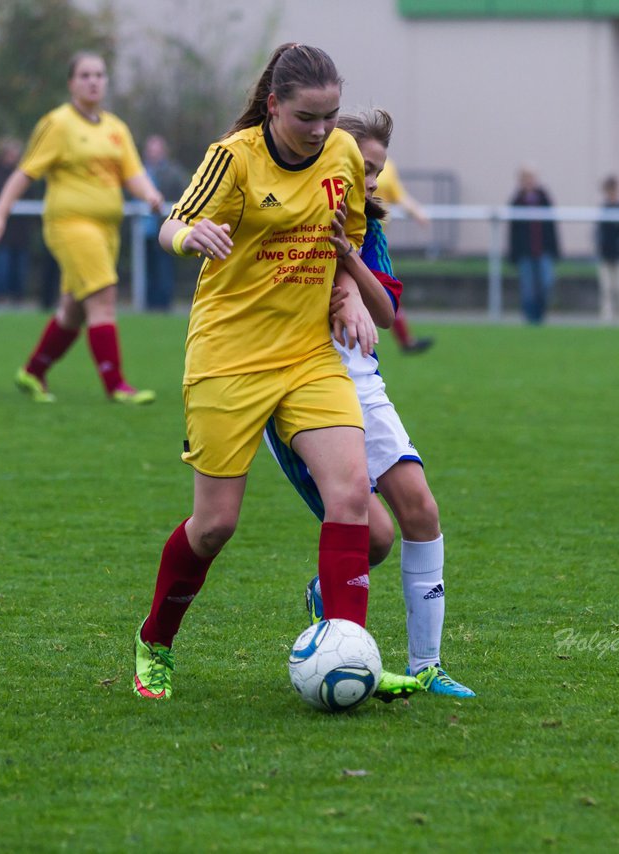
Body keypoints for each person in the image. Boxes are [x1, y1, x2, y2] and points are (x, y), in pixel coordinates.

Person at [134, 42, 422, 702]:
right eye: (306, 117)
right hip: (228, 359)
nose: (321, 130)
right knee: (215, 526)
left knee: (351, 496)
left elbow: (344, 240)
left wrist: (348, 297)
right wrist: (192, 236)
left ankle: (350, 652)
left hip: (308, 357)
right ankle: (155, 640)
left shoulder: (345, 157)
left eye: (330, 116)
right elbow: (170, 226)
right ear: (273, 106)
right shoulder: (233, 158)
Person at [263, 108, 475, 697]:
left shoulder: (370, 230)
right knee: (375, 536)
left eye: (378, 171)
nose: (374, 182)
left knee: (422, 512)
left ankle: (429, 666)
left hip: (364, 383)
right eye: (364, 168)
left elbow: (387, 313)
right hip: (300, 385)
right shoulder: (289, 213)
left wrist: (351, 264)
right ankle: (334, 620)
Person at [0, 51, 163, 405]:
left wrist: (152, 196)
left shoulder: (116, 128)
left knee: (74, 309)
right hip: (70, 225)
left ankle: (32, 372)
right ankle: (116, 385)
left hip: (107, 229)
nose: (94, 81)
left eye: (99, 74)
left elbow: (133, 174)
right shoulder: (58, 123)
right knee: (104, 297)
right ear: (71, 83)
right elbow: (25, 172)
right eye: (85, 75)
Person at [374, 158, 434, 354]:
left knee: (385, 291)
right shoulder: (346, 152)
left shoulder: (387, 165)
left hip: (374, 240)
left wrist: (417, 212)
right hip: (353, 238)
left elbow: (398, 195)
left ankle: (405, 341)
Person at [0, 138, 34, 307]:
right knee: (1, 266)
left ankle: (17, 299)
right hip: (2, 231)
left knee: (19, 268)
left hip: (20, 231)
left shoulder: (26, 173)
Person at [139, 134, 188, 311]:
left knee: (163, 269)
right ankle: (148, 304)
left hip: (165, 228)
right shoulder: (139, 171)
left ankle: (163, 304)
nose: (153, 154)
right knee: (147, 269)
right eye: (151, 150)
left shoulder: (173, 173)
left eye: (156, 150)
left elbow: (186, 195)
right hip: (143, 231)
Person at [508, 167, 560, 324]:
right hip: (525, 251)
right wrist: (513, 253)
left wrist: (555, 249)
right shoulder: (516, 201)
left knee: (546, 282)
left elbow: (551, 227)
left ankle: (540, 315)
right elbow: (513, 231)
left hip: (543, 249)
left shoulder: (544, 198)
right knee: (528, 287)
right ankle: (530, 319)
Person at [595, 175, 619, 323]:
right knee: (606, 287)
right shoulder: (604, 207)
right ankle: (607, 314)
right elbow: (598, 231)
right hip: (605, 253)